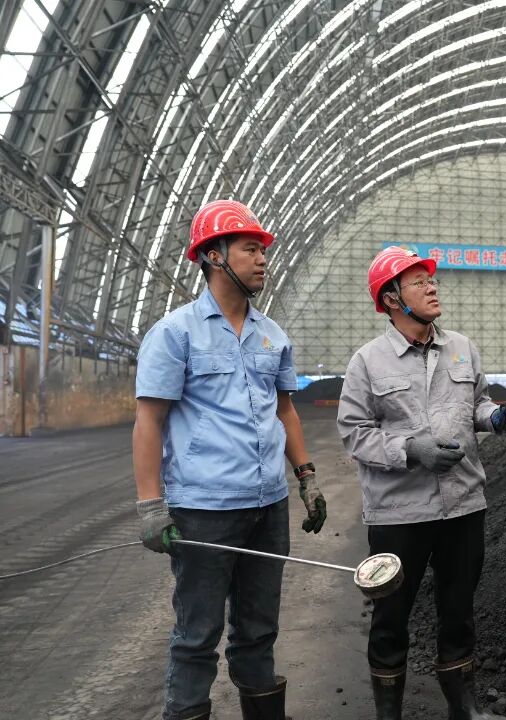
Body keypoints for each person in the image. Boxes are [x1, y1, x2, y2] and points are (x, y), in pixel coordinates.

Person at [132, 199, 328, 720]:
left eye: (263, 250)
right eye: (249, 248)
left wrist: (306, 477)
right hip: (205, 509)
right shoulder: (175, 333)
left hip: (269, 506)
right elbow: (149, 421)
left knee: (259, 630)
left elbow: (285, 411)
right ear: (214, 256)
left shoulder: (272, 334)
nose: (263, 259)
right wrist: (151, 505)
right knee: (197, 635)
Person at [337, 246, 506, 720]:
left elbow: (476, 405)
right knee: (390, 618)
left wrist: (498, 417)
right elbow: (354, 433)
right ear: (391, 298)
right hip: (399, 513)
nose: (432, 287)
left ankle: (463, 710)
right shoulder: (368, 362)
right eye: (418, 282)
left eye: (432, 280)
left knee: (458, 612)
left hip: (463, 505)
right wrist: (411, 449)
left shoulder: (461, 347)